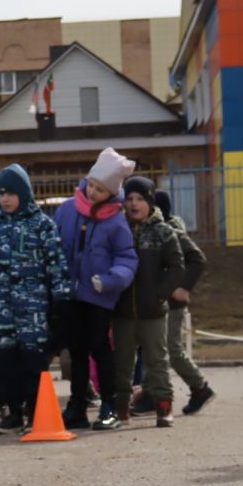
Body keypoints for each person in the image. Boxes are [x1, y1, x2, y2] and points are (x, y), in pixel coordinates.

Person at [0, 163, 71, 434]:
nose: (5, 199)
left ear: (24, 194)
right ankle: (14, 412)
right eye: (1, 193)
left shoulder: (42, 225)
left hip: (34, 309)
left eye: (10, 193)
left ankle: (36, 413)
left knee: (33, 362)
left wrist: (60, 302)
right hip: (5, 308)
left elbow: (56, 264)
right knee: (7, 362)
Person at [52, 148, 138, 430]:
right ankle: (77, 404)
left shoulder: (116, 221)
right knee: (76, 351)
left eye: (100, 190)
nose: (92, 193)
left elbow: (127, 258)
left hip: (99, 296)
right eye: (91, 185)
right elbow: (54, 247)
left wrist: (110, 280)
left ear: (111, 192)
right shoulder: (66, 210)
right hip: (70, 293)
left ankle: (109, 405)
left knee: (100, 349)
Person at [110, 176, 186, 427]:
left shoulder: (163, 231)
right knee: (122, 363)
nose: (134, 204)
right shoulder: (118, 229)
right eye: (129, 199)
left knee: (157, 361)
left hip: (152, 310)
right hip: (122, 310)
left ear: (150, 202)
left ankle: (164, 407)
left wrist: (159, 293)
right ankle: (121, 408)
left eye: (140, 199)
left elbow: (177, 266)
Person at [151, 188, 216, 415]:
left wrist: (184, 287)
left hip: (173, 301)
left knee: (172, 348)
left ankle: (200, 387)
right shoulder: (151, 230)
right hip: (158, 298)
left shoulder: (171, 230)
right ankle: (150, 394)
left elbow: (198, 260)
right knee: (154, 347)